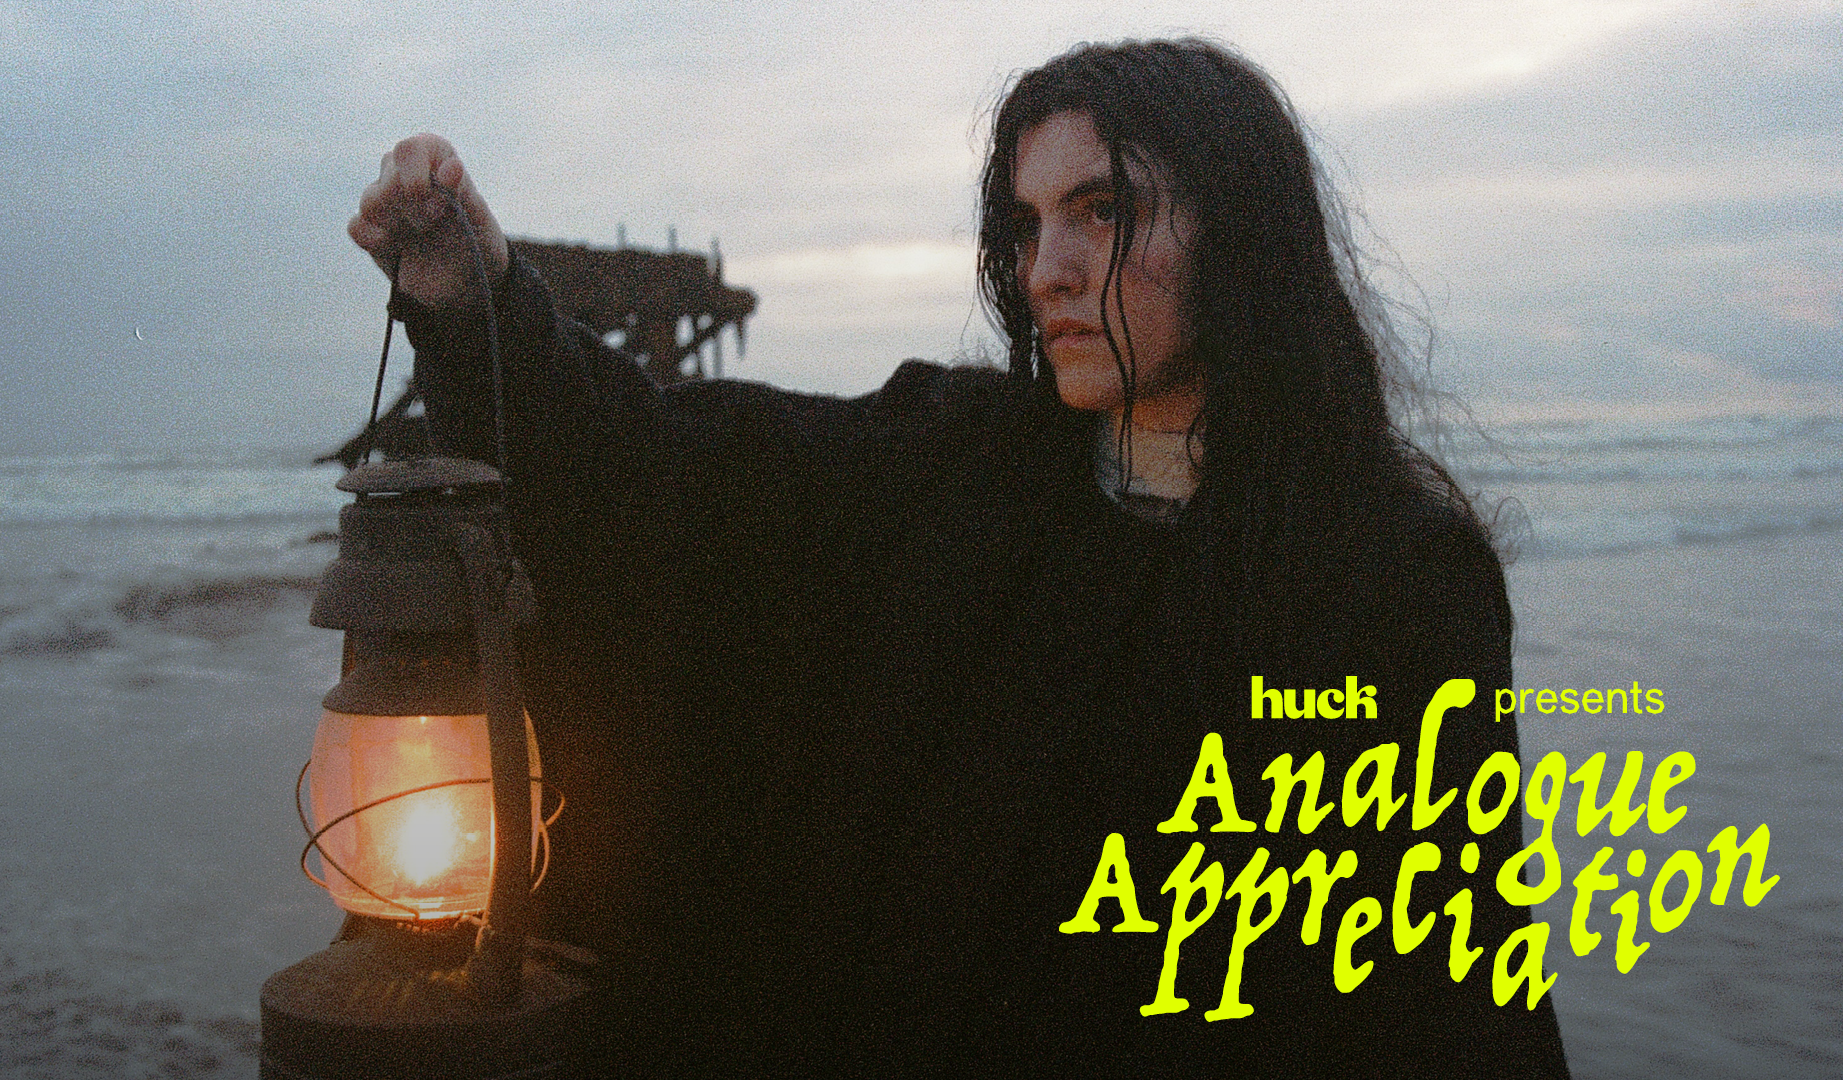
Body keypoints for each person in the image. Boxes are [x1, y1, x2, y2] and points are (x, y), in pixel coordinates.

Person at [350, 38, 1570, 1079]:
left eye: (1103, 208)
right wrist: (481, 301)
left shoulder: (1388, 575)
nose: (1048, 270)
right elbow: (667, 467)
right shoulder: (959, 465)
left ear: (1242, 231)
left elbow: (1446, 988)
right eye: (1030, 223)